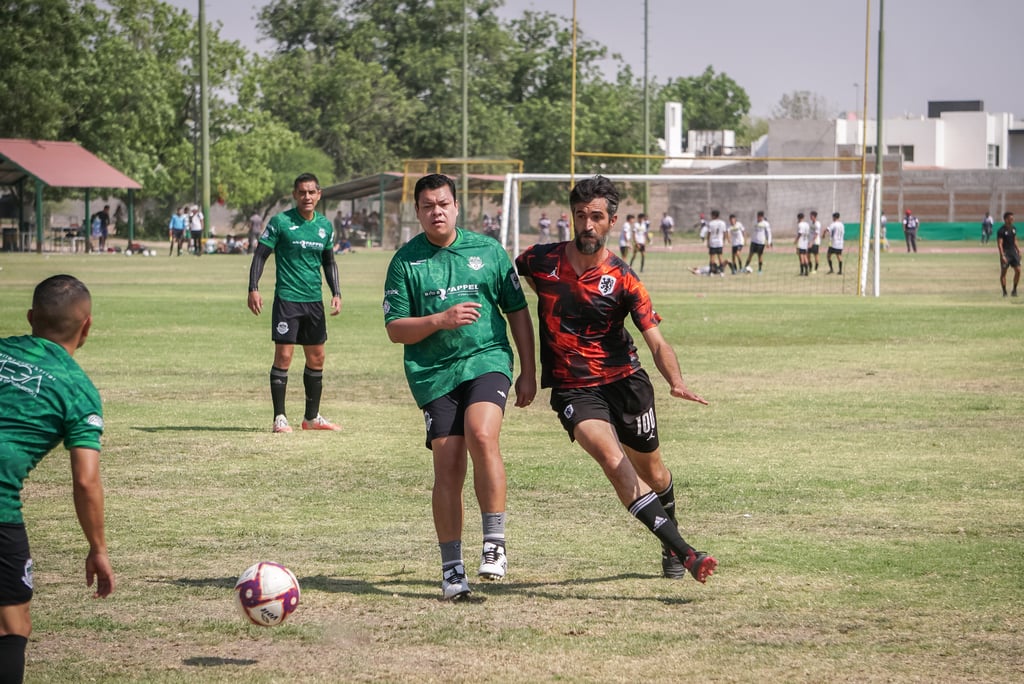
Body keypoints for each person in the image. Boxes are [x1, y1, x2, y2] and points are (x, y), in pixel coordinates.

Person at [515, 175, 716, 584]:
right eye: (580, 215)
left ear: (612, 222)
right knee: (612, 461)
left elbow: (656, 341)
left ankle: (669, 538)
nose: (587, 225)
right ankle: (685, 552)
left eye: (596, 217)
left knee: (654, 474)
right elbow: (510, 277)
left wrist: (676, 381)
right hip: (574, 388)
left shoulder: (624, 279)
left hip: (626, 383)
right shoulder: (539, 260)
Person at [383, 173, 536, 601]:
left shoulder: (488, 251)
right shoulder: (405, 262)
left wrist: (529, 370)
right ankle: (452, 569)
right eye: (428, 206)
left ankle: (495, 542)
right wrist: (440, 320)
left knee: (481, 434)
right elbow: (395, 329)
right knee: (448, 465)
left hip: (487, 359)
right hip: (433, 373)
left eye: (443, 204)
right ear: (417, 212)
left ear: (456, 206)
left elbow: (518, 312)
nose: (437, 212)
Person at [0, 275, 115, 682]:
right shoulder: (78, 391)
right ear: (87, 327)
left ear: (31, 317)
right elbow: (85, 481)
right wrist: (97, 548)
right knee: (11, 625)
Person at [247, 173, 343, 433]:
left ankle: (311, 418)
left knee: (317, 358)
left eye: (311, 192)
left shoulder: (325, 226)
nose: (307, 197)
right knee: (284, 356)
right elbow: (260, 255)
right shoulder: (280, 222)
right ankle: (279, 418)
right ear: (294, 195)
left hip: (314, 301)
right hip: (287, 299)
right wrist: (253, 288)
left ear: (319, 194)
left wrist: (336, 292)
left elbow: (329, 262)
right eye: (302, 192)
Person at [996, 211, 1020, 297]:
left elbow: (1015, 240)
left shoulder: (1014, 229)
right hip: (1006, 253)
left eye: (1013, 218)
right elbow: (1000, 244)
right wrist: (1002, 255)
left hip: (1013, 253)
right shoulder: (1001, 230)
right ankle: (1004, 292)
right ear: (1006, 219)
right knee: (1004, 273)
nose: (1012, 220)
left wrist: (1018, 250)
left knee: (1018, 271)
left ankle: (1014, 290)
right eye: (1010, 218)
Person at [701, 209, 727, 275]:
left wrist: (708, 242)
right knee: (720, 257)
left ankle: (711, 272)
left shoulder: (711, 223)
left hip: (713, 242)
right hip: (720, 242)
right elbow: (724, 233)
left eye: (712, 215)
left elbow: (709, 233)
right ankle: (722, 272)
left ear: (714, 215)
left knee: (712, 258)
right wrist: (724, 241)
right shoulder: (722, 223)